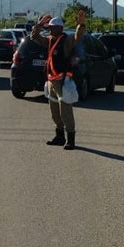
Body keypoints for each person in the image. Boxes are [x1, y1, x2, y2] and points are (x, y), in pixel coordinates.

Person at [30, 11, 86, 150]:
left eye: (52, 27)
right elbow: (34, 37)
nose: (49, 29)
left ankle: (70, 139)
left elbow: (78, 37)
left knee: (65, 111)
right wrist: (38, 24)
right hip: (51, 80)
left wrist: (81, 24)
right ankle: (59, 136)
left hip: (62, 80)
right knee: (54, 112)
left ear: (59, 28)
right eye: (49, 27)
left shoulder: (66, 40)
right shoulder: (49, 39)